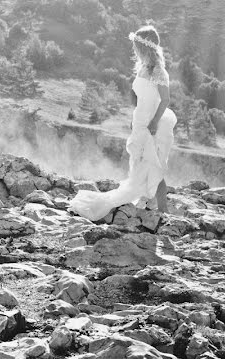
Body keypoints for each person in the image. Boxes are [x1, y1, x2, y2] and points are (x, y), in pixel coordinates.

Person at [69, 25, 178, 220]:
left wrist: (154, 122)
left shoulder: (158, 71)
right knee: (139, 164)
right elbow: (143, 97)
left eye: (137, 46)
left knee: (154, 163)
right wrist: (137, 119)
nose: (134, 50)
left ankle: (163, 210)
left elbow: (165, 100)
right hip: (141, 119)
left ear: (145, 48)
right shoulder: (143, 68)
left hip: (154, 121)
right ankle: (150, 203)